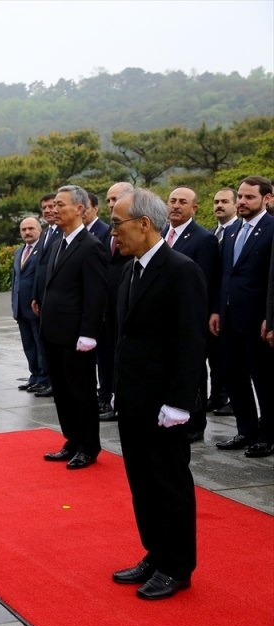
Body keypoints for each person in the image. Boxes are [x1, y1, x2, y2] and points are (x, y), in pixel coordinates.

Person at [108, 187, 206, 601]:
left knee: (169, 484)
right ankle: (156, 551)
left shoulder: (181, 270)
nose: (114, 235)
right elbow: (126, 336)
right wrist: (116, 389)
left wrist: (181, 403)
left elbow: (190, 342)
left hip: (165, 404)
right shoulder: (132, 269)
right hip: (133, 399)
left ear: (144, 224)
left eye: (117, 224)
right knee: (142, 482)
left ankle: (177, 565)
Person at [37, 185, 107, 469]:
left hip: (76, 335)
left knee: (81, 391)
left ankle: (88, 445)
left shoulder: (91, 246)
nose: (54, 209)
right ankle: (72, 439)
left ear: (79, 209)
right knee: (63, 391)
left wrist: (89, 333)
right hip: (54, 331)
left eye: (61, 204)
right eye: (53, 204)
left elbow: (95, 294)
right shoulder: (57, 243)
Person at [210, 176, 274, 457]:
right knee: (233, 377)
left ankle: (268, 436)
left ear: (267, 199)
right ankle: (245, 430)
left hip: (257, 320)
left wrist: (270, 318)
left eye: (249, 197)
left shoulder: (271, 229)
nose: (242, 202)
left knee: (264, 380)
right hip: (229, 317)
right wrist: (216, 309)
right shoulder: (233, 231)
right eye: (240, 197)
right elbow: (224, 274)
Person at [162, 187, 220, 442]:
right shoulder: (163, 233)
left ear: (194, 208)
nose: (176, 205)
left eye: (182, 202)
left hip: (190, 317)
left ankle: (196, 422)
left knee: (194, 370)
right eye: (172, 201)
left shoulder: (203, 239)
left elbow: (206, 282)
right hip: (164, 316)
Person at [96, 182, 135, 421]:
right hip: (106, 308)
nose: (111, 204)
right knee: (106, 355)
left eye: (116, 199)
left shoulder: (135, 232)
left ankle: (120, 400)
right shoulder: (105, 233)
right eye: (109, 200)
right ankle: (107, 397)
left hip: (128, 304)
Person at [208, 188, 238, 415]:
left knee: (231, 358)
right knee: (214, 356)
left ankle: (229, 396)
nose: (219, 205)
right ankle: (216, 395)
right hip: (212, 306)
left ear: (235, 205)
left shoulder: (239, 232)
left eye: (225, 201)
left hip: (234, 306)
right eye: (216, 201)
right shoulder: (212, 234)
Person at [11, 217, 49, 393]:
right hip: (20, 307)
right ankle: (34, 375)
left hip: (35, 307)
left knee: (40, 344)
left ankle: (44, 378)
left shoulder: (43, 250)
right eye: (24, 229)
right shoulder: (19, 252)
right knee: (28, 345)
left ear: (39, 230)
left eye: (31, 228)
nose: (27, 232)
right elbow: (16, 280)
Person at [29, 193, 59, 397]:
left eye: (51, 206)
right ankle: (45, 378)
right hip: (41, 298)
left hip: (55, 299)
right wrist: (35, 296)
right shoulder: (46, 234)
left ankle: (53, 381)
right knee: (43, 342)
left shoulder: (62, 234)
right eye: (44, 207)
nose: (48, 210)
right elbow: (38, 269)